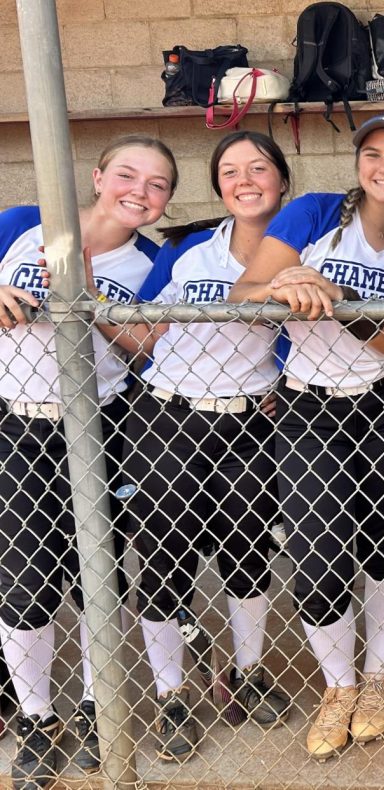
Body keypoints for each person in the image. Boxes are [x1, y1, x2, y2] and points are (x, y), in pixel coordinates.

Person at [230, 114, 384, 762]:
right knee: (316, 554)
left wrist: (339, 298)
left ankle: (377, 677)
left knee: (382, 544)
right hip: (310, 407)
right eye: (373, 154)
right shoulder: (317, 212)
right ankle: (337, 685)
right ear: (357, 162)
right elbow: (244, 292)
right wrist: (287, 282)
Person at [0, 135, 176, 788]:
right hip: (18, 422)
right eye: (127, 174)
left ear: (163, 203)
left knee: (93, 573)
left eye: (157, 184)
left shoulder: (153, 261)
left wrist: (91, 295)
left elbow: (148, 349)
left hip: (102, 426)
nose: (139, 190)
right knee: (25, 578)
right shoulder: (27, 223)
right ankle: (38, 718)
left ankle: (97, 703)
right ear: (99, 177)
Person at [124, 130, 292, 762]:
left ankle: (246, 674)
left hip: (251, 420)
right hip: (169, 417)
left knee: (247, 555)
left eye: (258, 168)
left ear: (281, 180)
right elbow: (142, 327)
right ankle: (172, 696)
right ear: (218, 186)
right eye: (229, 171)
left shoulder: (305, 248)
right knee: (165, 562)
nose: (244, 179)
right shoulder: (191, 249)